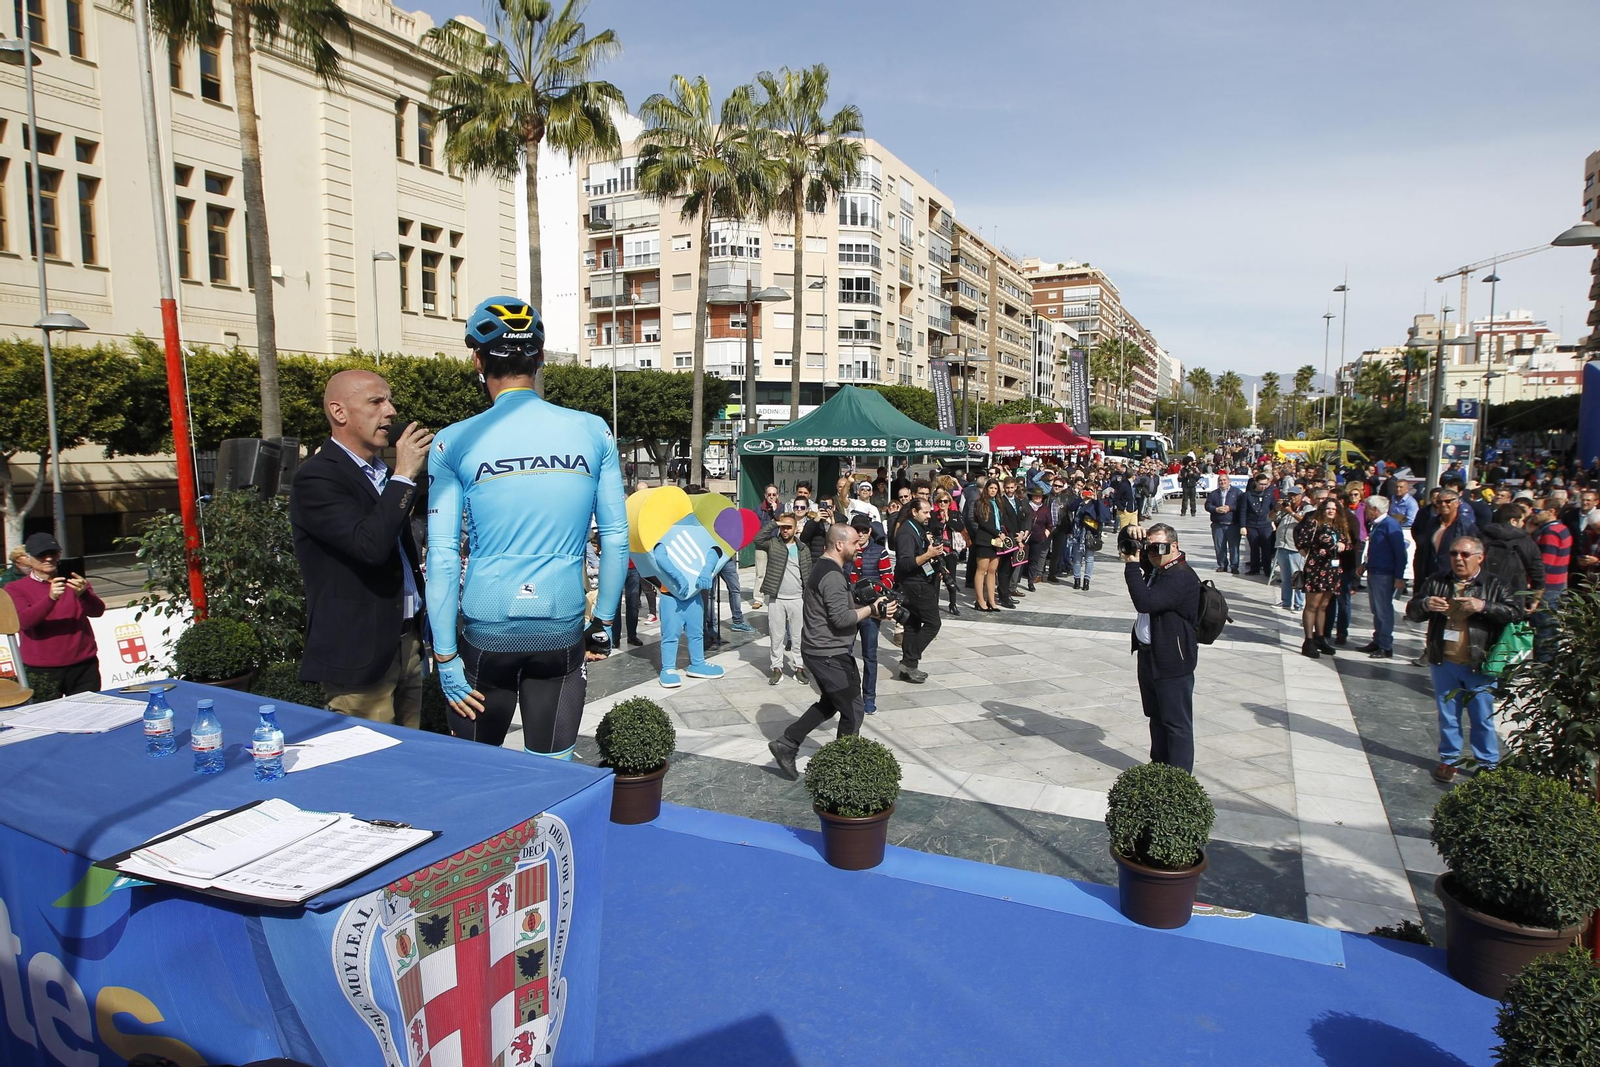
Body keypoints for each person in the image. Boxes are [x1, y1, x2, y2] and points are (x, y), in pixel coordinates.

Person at [425, 296, 626, 757]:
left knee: (477, 776)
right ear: (537, 358)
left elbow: (441, 554)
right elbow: (615, 538)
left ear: (477, 360)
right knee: (552, 775)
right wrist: (603, 623)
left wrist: (445, 656)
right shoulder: (593, 429)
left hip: (485, 627)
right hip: (561, 626)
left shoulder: (452, 440)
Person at [290, 369, 431, 725]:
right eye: (376, 401)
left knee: (408, 755)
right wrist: (403, 476)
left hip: (408, 644)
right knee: (371, 762)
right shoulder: (317, 477)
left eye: (390, 399)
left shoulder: (384, 473)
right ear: (339, 413)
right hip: (359, 655)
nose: (391, 410)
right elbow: (369, 545)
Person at [767, 524, 892, 780]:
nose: (859, 547)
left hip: (823, 650)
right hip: (827, 653)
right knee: (853, 710)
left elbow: (837, 608)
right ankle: (842, 770)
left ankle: (787, 743)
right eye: (855, 543)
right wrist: (872, 610)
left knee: (831, 703)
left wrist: (870, 605)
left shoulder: (827, 568)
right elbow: (842, 619)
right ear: (839, 544)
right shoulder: (832, 575)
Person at [1405, 536, 1519, 782]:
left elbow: (1514, 613)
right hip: (1444, 660)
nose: (1458, 559)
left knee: (1482, 717)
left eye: (1465, 555)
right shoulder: (1438, 581)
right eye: (1454, 553)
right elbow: (1412, 613)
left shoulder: (1495, 584)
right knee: (1447, 715)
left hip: (1479, 662)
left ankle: (1487, 763)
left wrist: (1483, 606)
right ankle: (1449, 760)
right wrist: (1425, 603)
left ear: (1480, 557)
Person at [1121, 522, 1201, 773]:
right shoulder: (1159, 567)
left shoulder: (1179, 575)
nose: (1152, 552)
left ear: (1174, 546)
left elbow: (1145, 601)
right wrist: (1130, 531)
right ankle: (1159, 768)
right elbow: (1126, 545)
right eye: (1148, 547)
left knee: (1176, 723)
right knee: (1156, 717)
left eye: (1159, 547)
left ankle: (1179, 778)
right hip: (1150, 657)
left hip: (1172, 660)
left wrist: (1132, 566)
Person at [7, 532, 105, 700]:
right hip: (41, 670)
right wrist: (51, 598)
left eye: (52, 553)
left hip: (83, 666)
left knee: (91, 717)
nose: (48, 558)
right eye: (41, 555)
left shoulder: (75, 581)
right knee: (47, 721)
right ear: (28, 558)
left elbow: (97, 611)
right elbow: (24, 621)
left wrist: (84, 594)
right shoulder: (15, 588)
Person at [893, 496, 946, 684]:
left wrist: (933, 560)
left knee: (912, 624)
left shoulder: (917, 529)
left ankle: (909, 668)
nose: (929, 515)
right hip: (914, 584)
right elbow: (905, 563)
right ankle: (909, 661)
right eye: (925, 512)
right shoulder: (907, 533)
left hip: (918, 581)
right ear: (914, 512)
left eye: (929, 512)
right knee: (933, 623)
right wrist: (928, 555)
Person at [756, 512, 810, 686]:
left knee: (797, 637)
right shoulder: (773, 544)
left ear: (795, 529)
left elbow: (807, 575)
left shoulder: (803, 549)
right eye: (783, 527)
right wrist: (774, 523)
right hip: (776, 598)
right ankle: (777, 668)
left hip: (797, 599)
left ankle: (799, 668)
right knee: (776, 636)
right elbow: (758, 539)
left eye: (789, 527)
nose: (785, 530)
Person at [848, 512, 892, 712]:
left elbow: (889, 579)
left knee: (870, 655)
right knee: (845, 653)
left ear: (870, 531)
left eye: (864, 530)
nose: (861, 534)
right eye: (857, 530)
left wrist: (871, 591)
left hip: (871, 610)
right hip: (848, 609)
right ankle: (847, 693)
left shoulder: (879, 551)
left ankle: (869, 697)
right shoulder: (846, 550)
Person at [1296, 498, 1346, 658]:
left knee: (1323, 605)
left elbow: (1348, 542)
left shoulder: (1339, 526)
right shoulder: (1314, 523)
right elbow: (1301, 542)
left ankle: (1320, 637)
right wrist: (1318, 546)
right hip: (1316, 568)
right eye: (1328, 508)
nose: (1331, 511)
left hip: (1332, 570)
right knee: (1312, 605)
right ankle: (1308, 639)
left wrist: (1343, 545)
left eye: (1334, 509)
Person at [1357, 496, 1405, 659]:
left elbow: (1400, 552)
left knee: (1383, 610)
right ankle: (1377, 640)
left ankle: (1385, 645)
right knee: (1376, 609)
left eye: (1368, 509)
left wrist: (1399, 576)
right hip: (1375, 571)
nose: (1366, 513)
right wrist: (1366, 565)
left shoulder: (1390, 525)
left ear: (1375, 509)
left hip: (1384, 574)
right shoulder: (1377, 525)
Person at [1529, 498, 1571, 661]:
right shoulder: (1562, 529)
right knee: (1550, 632)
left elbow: (1544, 565)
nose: (1533, 514)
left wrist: (1535, 590)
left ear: (1552, 511)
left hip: (1547, 589)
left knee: (1544, 634)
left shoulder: (1550, 533)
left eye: (1537, 511)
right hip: (1557, 586)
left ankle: (1543, 670)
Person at [970, 478, 1004, 611]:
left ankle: (991, 600)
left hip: (996, 541)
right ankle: (980, 600)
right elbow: (983, 522)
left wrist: (1002, 533)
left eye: (995, 489)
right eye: (991, 488)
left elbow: (1001, 520)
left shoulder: (998, 503)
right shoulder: (980, 502)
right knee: (981, 570)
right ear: (986, 489)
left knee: (992, 571)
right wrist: (997, 532)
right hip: (984, 539)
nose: (993, 491)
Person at [1204, 471, 1244, 575]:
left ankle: (1234, 566)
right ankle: (1222, 565)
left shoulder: (1237, 492)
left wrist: (1230, 508)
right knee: (1219, 546)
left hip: (1233, 524)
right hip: (1218, 524)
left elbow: (1242, 505)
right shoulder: (1214, 493)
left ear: (1229, 481)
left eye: (1224, 480)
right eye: (1220, 480)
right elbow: (1208, 505)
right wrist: (1216, 509)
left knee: (1234, 546)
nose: (1222, 482)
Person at [751, 483, 782, 610]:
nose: (771, 497)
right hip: (763, 544)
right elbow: (753, 526)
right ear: (765, 495)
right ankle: (758, 598)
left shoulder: (782, 508)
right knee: (760, 573)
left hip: (777, 543)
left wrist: (776, 511)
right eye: (769, 495)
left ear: (777, 496)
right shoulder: (758, 509)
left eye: (774, 495)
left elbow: (783, 522)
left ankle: (777, 595)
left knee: (777, 572)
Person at [1273, 494, 1306, 613]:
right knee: (1285, 577)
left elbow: (1305, 521)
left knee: (1297, 576)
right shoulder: (1284, 508)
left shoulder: (1306, 508)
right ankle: (1286, 601)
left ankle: (1299, 604)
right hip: (1282, 545)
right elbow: (1269, 518)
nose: (1292, 498)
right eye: (1290, 495)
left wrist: (1291, 512)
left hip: (1295, 548)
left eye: (1294, 496)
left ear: (1300, 497)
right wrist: (1277, 508)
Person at [1241, 474, 1276, 576]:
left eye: (1265, 484)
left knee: (1267, 548)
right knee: (1254, 547)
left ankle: (1267, 569)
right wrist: (1243, 526)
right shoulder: (1247, 495)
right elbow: (1243, 511)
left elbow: (1274, 508)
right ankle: (1254, 568)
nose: (1263, 486)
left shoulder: (1269, 495)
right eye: (1261, 484)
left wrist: (1273, 521)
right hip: (1251, 525)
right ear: (1256, 482)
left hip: (1265, 524)